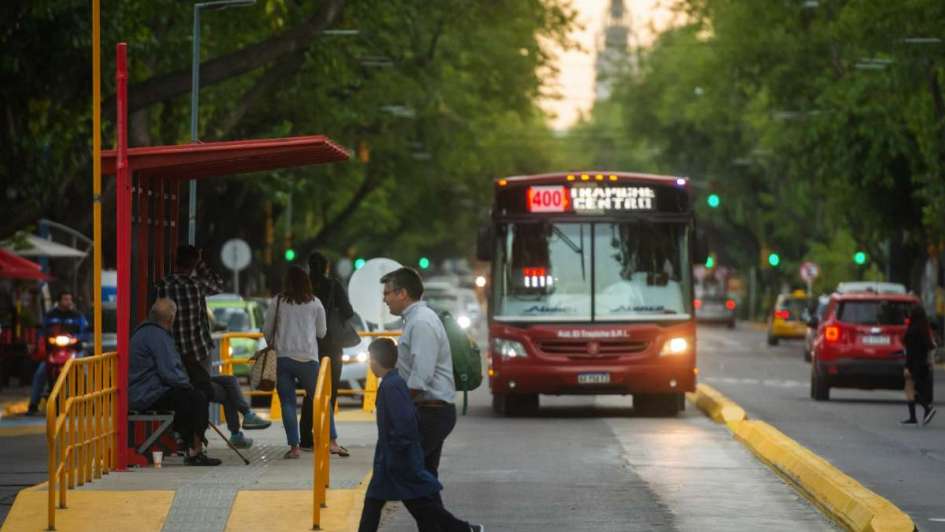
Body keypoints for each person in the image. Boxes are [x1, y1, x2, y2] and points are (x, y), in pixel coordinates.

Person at [358, 338, 482, 532]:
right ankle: (464, 529)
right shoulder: (394, 383)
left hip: (396, 459)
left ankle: (463, 529)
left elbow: (405, 422)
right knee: (380, 502)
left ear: (373, 361)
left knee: (418, 503)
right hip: (390, 458)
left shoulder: (392, 386)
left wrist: (397, 449)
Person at [155, 245, 269, 445]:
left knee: (228, 382)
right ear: (193, 264)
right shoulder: (196, 285)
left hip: (173, 355)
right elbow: (217, 284)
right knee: (222, 387)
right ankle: (242, 421)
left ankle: (241, 426)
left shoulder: (163, 286)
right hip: (197, 353)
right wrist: (201, 263)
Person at [380, 268, 457, 484]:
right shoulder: (415, 320)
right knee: (423, 478)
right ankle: (437, 519)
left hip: (432, 411)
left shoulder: (421, 322)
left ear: (402, 293)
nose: (385, 300)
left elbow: (421, 375)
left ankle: (444, 520)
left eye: (387, 293)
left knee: (406, 472)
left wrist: (399, 405)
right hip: (428, 409)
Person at [128, 298, 220, 466]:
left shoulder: (143, 332)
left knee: (191, 396)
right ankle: (194, 450)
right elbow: (170, 373)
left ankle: (185, 440)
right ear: (170, 318)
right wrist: (187, 384)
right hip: (146, 395)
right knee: (197, 397)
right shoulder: (158, 337)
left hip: (140, 391)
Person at [263, 266, 327, 459]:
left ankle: (294, 448)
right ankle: (331, 441)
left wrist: (273, 343)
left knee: (288, 404)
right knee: (320, 399)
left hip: (283, 358)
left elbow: (267, 330)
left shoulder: (278, 301)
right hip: (308, 358)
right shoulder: (315, 303)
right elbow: (321, 332)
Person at [306, 251, 353, 457]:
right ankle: (325, 434)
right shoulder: (334, 285)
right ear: (326, 267)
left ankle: (305, 437)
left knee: (311, 391)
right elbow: (348, 311)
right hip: (332, 345)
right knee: (330, 391)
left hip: (308, 345)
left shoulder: (302, 287)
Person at [26, 291, 90, 415]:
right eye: (65, 299)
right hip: (54, 352)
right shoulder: (50, 316)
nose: (68, 302)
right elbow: (42, 332)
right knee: (40, 373)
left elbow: (86, 333)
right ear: (59, 301)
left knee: (84, 372)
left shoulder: (77, 316)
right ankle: (33, 404)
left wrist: (77, 338)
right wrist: (38, 341)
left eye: (70, 299)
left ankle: (88, 402)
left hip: (74, 351)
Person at [902, 305, 936, 426]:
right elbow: (931, 347)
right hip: (922, 363)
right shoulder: (924, 330)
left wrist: (906, 367)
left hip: (913, 364)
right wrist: (931, 362)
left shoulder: (912, 331)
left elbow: (910, 352)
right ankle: (913, 417)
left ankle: (927, 408)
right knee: (911, 389)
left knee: (910, 389)